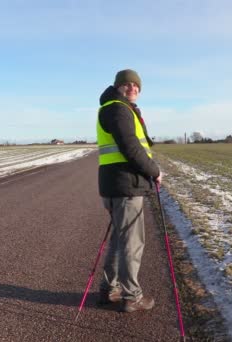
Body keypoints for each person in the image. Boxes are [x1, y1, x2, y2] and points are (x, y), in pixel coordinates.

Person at [96, 69, 162, 312]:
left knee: (118, 240)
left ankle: (109, 289)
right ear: (118, 86)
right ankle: (131, 296)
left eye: (137, 85)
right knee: (131, 243)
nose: (133, 88)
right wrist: (154, 171)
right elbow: (132, 148)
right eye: (128, 84)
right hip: (126, 186)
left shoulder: (117, 108)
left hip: (116, 185)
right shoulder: (118, 109)